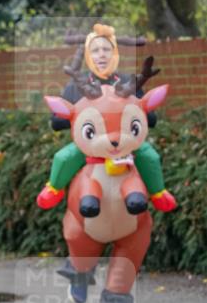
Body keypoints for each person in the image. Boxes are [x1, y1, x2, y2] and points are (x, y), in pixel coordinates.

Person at [36, 24, 177, 212]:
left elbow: (149, 118)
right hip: (91, 146)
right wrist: (79, 119)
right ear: (88, 56)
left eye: (106, 49)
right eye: (95, 50)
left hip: (125, 144)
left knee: (149, 155)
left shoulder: (130, 82)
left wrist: (139, 117)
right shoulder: (76, 85)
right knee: (63, 158)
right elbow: (56, 122)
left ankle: (159, 193)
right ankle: (53, 189)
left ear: (115, 54)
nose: (101, 55)